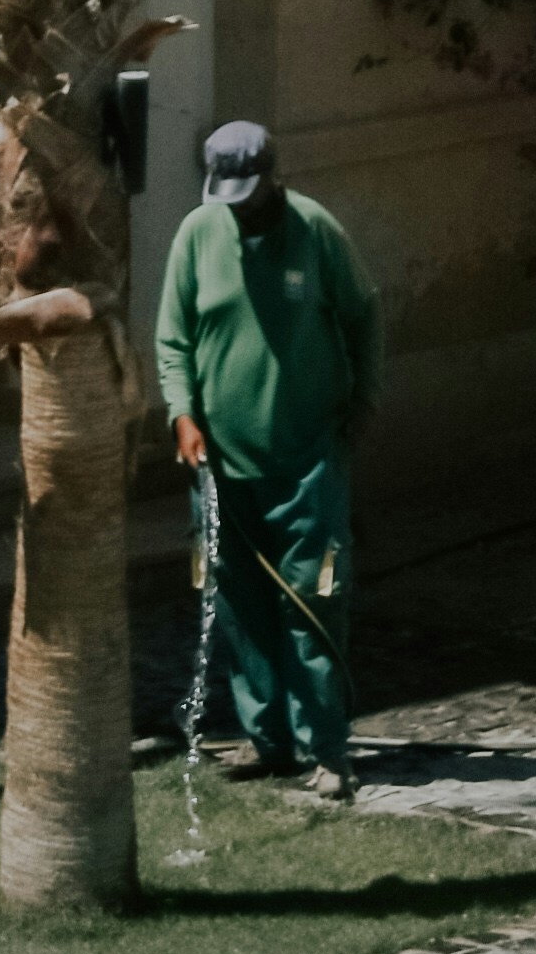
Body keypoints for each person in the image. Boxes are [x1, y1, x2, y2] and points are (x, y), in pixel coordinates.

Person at [153, 118, 382, 800]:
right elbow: (173, 341)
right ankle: (269, 741)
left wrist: (364, 402)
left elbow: (363, 314)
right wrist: (183, 416)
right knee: (241, 607)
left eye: (247, 191)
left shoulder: (315, 232)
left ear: (272, 176)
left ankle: (327, 751)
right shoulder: (198, 234)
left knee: (312, 603)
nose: (238, 204)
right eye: (226, 192)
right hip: (221, 466)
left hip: (307, 460)